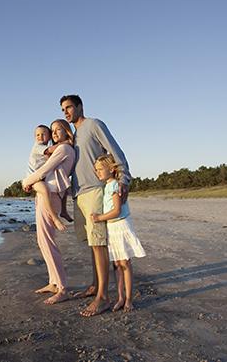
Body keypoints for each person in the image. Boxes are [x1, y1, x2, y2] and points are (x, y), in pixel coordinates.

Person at [60, 94, 131, 317]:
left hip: (95, 192)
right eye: (63, 110)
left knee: (99, 243)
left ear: (80, 106)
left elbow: (115, 150)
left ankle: (103, 297)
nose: (66, 112)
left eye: (69, 107)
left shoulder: (93, 124)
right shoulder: (73, 136)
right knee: (92, 243)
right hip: (78, 194)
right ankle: (94, 285)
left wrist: (124, 178)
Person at [22, 119, 76, 304]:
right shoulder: (62, 149)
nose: (53, 133)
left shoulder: (64, 149)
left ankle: (62, 287)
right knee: (42, 241)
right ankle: (53, 282)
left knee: (48, 242)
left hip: (51, 197)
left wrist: (26, 182)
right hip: (48, 196)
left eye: (58, 129)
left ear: (67, 131)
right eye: (52, 130)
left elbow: (44, 169)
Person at [91, 154, 145, 312]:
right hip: (112, 228)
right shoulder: (106, 186)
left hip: (121, 225)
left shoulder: (114, 185)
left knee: (125, 263)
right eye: (96, 170)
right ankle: (120, 297)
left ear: (112, 169)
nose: (98, 172)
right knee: (116, 265)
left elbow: (116, 210)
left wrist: (99, 217)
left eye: (101, 169)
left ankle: (128, 299)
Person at [26, 125, 73, 231]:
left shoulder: (45, 148)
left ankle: (64, 211)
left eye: (43, 134)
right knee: (45, 190)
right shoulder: (38, 147)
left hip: (40, 177)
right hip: (34, 178)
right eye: (37, 135)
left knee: (64, 186)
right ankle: (55, 217)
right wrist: (66, 142)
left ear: (49, 136)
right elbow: (50, 150)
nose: (40, 137)